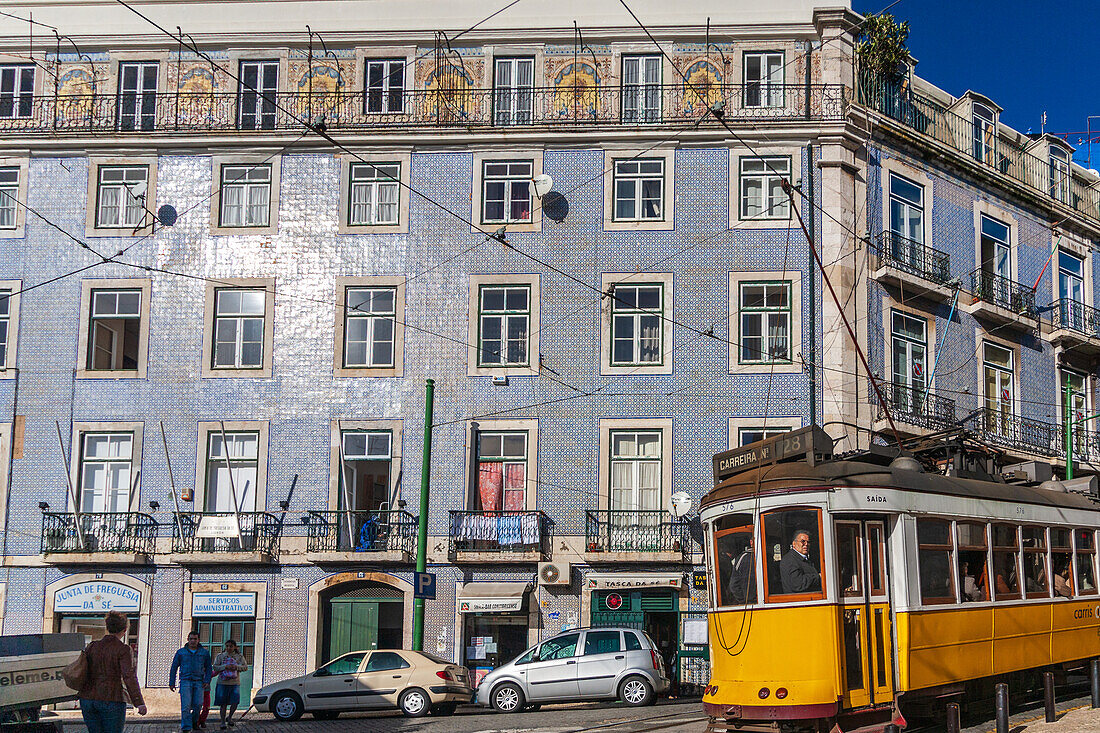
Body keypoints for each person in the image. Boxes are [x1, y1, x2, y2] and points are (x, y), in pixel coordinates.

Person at [77, 611, 147, 733]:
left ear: (107, 627)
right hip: (112, 697)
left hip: (88, 698)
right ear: (125, 629)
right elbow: (129, 676)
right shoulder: (123, 649)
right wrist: (138, 702)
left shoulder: (92, 646)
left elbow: (82, 670)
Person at [170, 631, 213, 733]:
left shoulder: (204, 653)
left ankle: (195, 722)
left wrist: (207, 680)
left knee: (198, 705)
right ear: (188, 639)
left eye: (195, 639)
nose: (193, 641)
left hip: (199, 682)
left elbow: (208, 668)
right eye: (191, 639)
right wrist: (172, 682)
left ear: (198, 640)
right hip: (185, 681)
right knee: (186, 706)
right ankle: (186, 727)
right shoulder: (181, 652)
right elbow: (174, 667)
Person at [212, 640, 248, 729]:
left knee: (235, 702)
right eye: (227, 646)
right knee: (223, 703)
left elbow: (245, 667)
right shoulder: (220, 656)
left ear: (235, 647)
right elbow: (215, 667)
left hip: (234, 683)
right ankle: (223, 721)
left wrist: (236, 667)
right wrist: (225, 667)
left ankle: (230, 717)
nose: (229, 648)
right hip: (222, 683)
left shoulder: (239, 657)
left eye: (231, 646)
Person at [729, 537, 756, 604]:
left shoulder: (767, 557)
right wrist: (744, 600)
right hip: (749, 602)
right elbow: (733, 585)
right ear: (751, 542)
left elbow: (733, 585)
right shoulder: (743, 558)